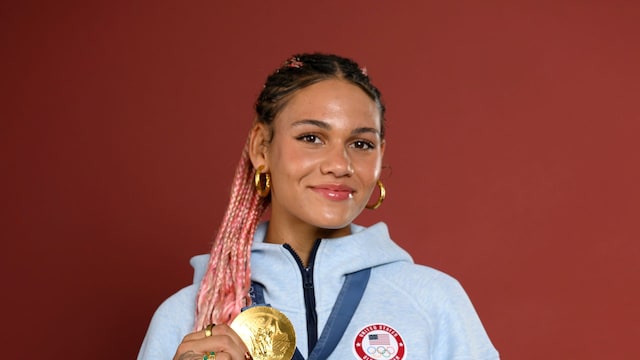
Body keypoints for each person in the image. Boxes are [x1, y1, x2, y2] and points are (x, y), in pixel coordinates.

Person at [138, 53, 499, 360]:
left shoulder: (433, 302)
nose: (340, 164)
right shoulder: (187, 317)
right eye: (312, 138)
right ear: (261, 148)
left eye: (361, 144)